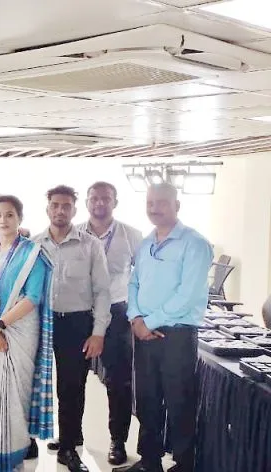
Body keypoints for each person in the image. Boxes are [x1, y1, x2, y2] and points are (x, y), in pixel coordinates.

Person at [116, 183, 212, 472]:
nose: (154, 208)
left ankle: (184, 465)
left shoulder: (195, 243)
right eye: (150, 203)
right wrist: (136, 318)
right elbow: (133, 283)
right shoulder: (146, 243)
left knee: (179, 401)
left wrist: (149, 322)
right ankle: (149, 462)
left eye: (161, 202)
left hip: (177, 336)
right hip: (144, 333)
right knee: (147, 400)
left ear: (177, 206)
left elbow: (188, 295)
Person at [0, 195, 55, 471]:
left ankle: (15, 455)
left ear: (20, 218)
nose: (3, 220)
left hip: (19, 331)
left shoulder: (33, 253)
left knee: (17, 394)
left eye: (9, 215)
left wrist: (1, 325)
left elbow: (32, 297)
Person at [32, 185, 111, 472]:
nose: (60, 210)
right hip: (40, 322)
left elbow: (102, 291)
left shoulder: (90, 245)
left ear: (74, 210)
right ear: (47, 209)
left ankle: (68, 447)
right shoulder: (34, 244)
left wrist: (98, 332)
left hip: (77, 324)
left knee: (71, 387)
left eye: (66, 206)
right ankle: (29, 440)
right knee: (34, 383)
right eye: (55, 205)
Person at [77, 181, 143, 466]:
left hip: (117, 314)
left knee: (119, 381)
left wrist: (137, 313)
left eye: (106, 198)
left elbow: (142, 278)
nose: (99, 203)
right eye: (94, 198)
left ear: (115, 202)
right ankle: (71, 435)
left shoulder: (132, 235)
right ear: (87, 202)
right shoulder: (74, 233)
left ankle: (118, 441)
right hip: (80, 313)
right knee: (73, 378)